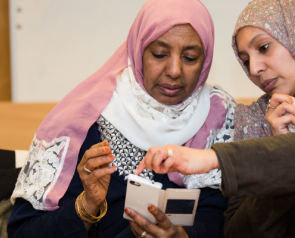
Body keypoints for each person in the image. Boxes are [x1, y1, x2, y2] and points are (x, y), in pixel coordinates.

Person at [7, 0, 237, 237]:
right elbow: (23, 231)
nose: (175, 70)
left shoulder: (219, 119)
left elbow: (226, 219)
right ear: (138, 50)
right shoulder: (86, 120)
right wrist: (86, 206)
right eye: (159, 54)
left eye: (189, 57)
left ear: (205, 60)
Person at [136, 0, 295, 237]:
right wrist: (276, 169)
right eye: (245, 59)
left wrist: (214, 158)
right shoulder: (256, 118)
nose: (254, 69)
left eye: (263, 47)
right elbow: (237, 231)